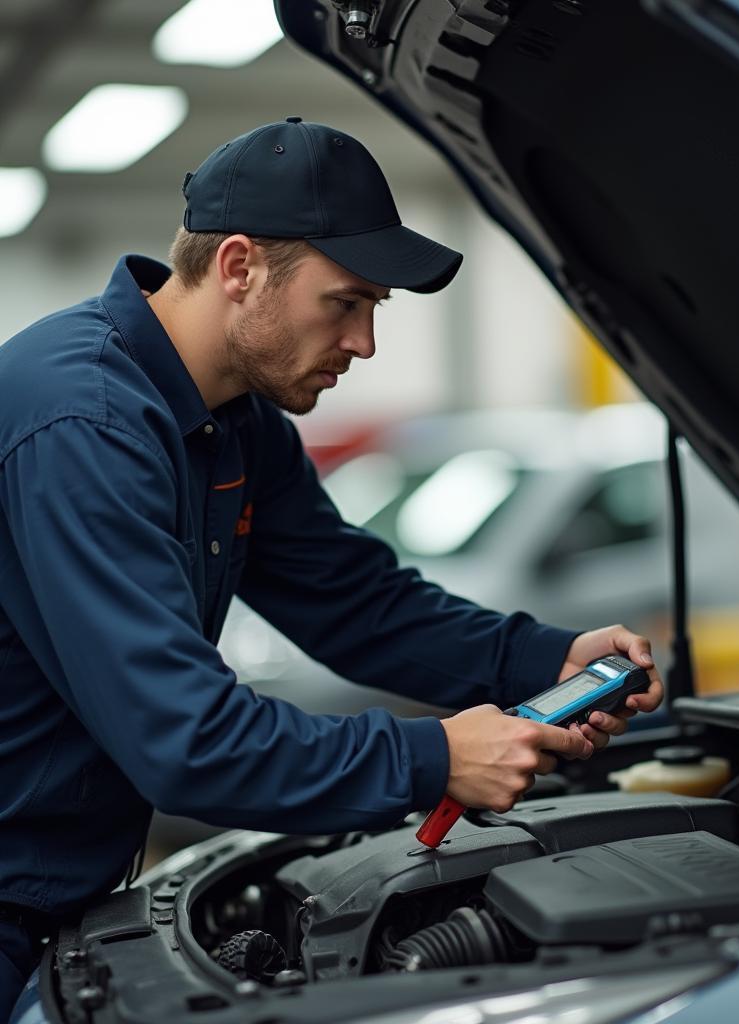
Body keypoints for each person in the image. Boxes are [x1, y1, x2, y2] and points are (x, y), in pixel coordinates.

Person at [0, 117, 663, 1016]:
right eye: (345, 302)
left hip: (61, 890)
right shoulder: (85, 422)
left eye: (375, 310)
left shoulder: (231, 417)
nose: (365, 343)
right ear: (238, 268)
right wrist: (433, 758)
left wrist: (547, 660)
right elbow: (184, 743)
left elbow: (358, 604)